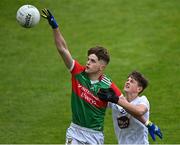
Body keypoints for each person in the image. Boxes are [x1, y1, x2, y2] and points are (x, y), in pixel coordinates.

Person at [41, 9, 162, 144]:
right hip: (75, 131)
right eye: (88, 59)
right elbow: (63, 49)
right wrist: (55, 27)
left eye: (92, 61)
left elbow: (129, 107)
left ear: (101, 67)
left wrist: (148, 123)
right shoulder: (77, 72)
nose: (87, 62)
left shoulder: (108, 84)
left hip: (95, 136)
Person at [98, 71, 163, 144]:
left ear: (139, 89)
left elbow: (139, 111)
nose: (127, 82)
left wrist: (117, 100)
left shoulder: (142, 100)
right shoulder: (116, 101)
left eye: (132, 81)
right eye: (127, 80)